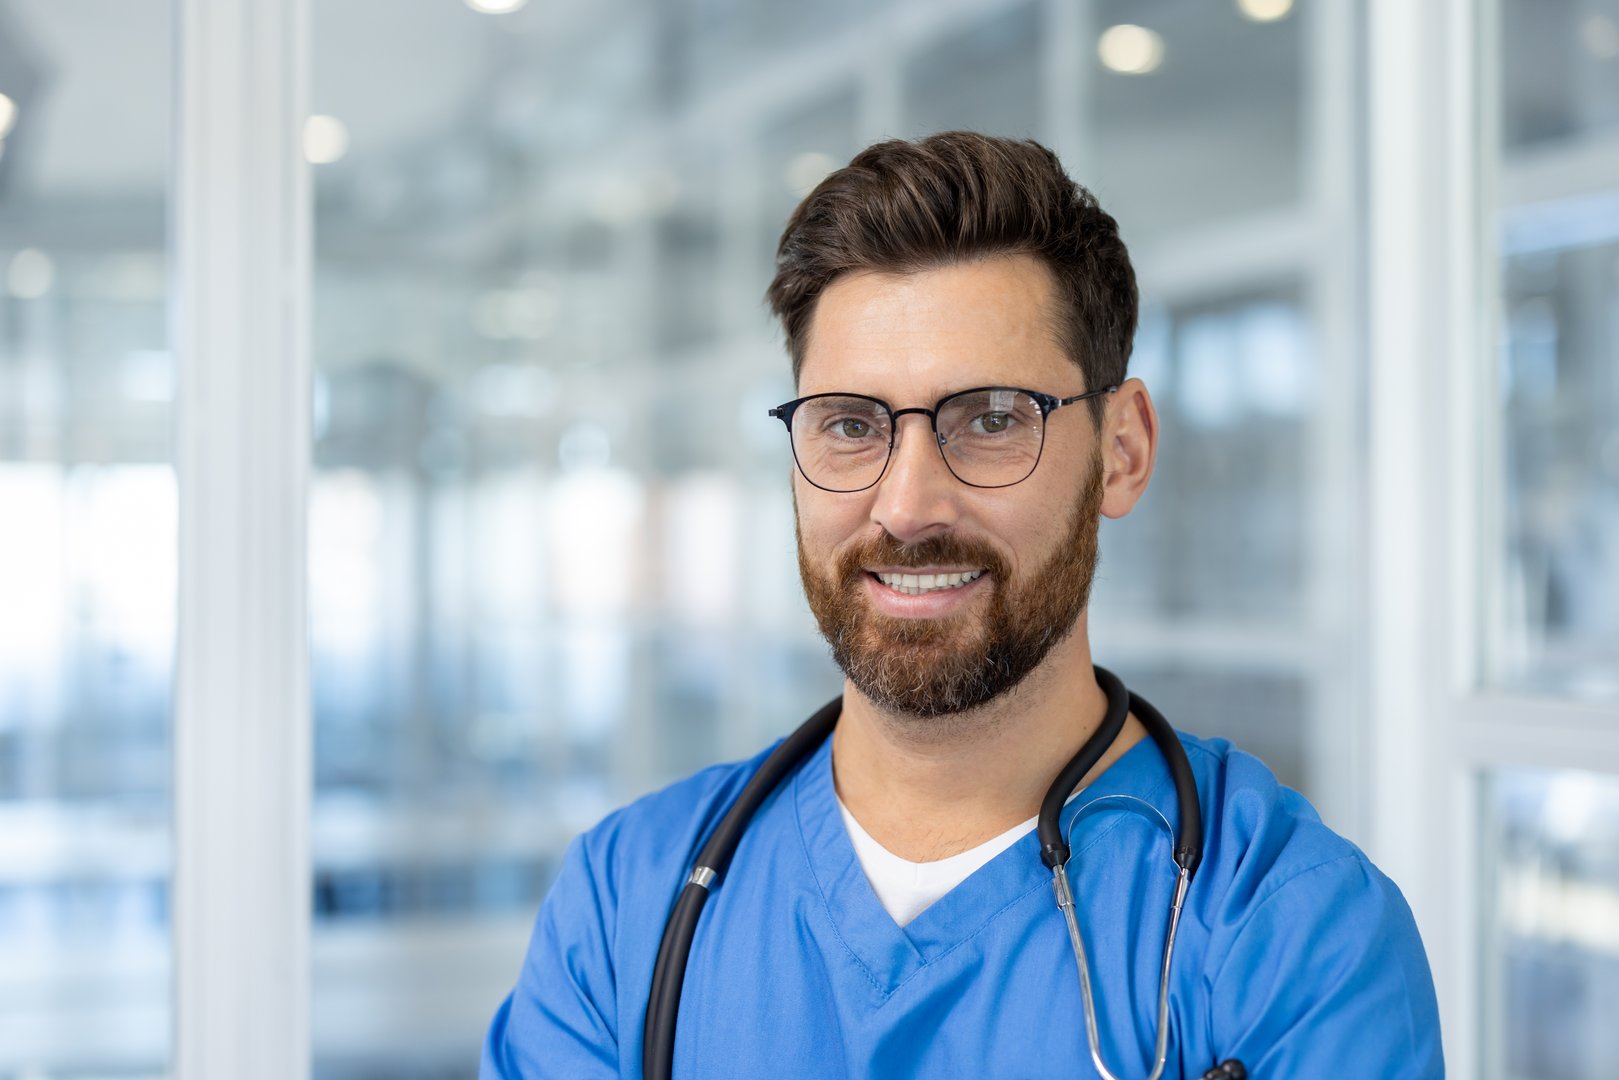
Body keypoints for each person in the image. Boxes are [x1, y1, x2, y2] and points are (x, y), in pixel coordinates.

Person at [481, 132, 1444, 1079]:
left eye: (989, 420)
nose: (905, 508)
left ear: (1123, 449)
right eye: (850, 426)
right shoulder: (629, 903)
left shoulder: (1291, 934)